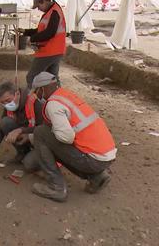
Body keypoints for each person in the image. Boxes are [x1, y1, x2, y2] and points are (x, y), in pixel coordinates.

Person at [22, 72, 117, 202]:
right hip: (105, 155)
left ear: (42, 89)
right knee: (49, 138)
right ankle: (97, 177)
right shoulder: (66, 95)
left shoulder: (53, 104)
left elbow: (66, 138)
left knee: (40, 132)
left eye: (36, 92)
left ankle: (56, 187)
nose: (36, 96)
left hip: (93, 159)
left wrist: (40, 137)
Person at [0, 80, 42, 172]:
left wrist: (23, 132)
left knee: (29, 164)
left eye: (8, 101)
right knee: (5, 122)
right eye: (3, 102)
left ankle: (46, 161)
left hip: (42, 142)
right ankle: (23, 153)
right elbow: (1, 130)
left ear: (17, 93)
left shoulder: (35, 102)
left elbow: (45, 129)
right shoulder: (10, 105)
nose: (6, 105)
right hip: (27, 137)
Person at [21, 0, 66, 89]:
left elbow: (49, 33)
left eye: (39, 6)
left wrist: (32, 39)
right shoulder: (51, 11)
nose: (39, 9)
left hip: (49, 51)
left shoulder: (54, 12)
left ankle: (30, 99)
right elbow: (40, 30)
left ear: (45, 1)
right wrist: (25, 31)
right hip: (56, 50)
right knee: (52, 78)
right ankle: (56, 98)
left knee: (32, 77)